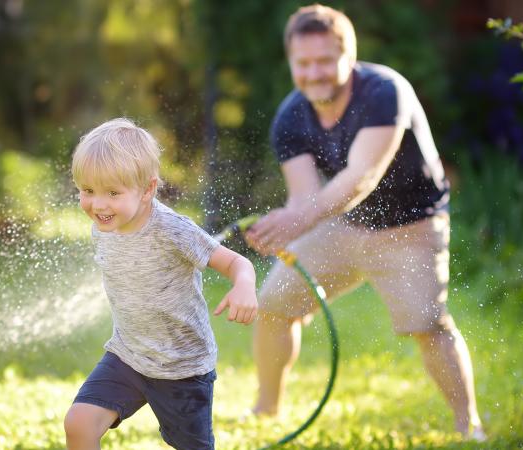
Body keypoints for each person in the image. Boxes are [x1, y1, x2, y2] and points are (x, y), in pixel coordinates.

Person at [243, 4, 486, 440]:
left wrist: (301, 218)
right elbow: (303, 197)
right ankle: (266, 411)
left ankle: (469, 427)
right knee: (274, 306)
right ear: (291, 62)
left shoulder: (383, 92)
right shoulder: (290, 117)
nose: (313, 73)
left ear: (348, 57)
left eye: (323, 61)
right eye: (303, 63)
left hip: (410, 228)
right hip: (339, 224)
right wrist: (283, 225)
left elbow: (362, 177)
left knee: (428, 325)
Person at [63, 118, 259, 450]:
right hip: (129, 355)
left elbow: (237, 263)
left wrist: (244, 287)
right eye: (88, 191)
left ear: (148, 190)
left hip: (182, 368)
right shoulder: (103, 225)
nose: (98, 204)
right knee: (79, 422)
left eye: (113, 193)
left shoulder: (172, 230)